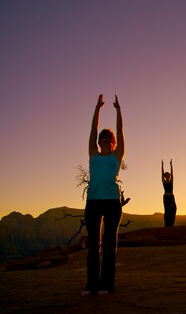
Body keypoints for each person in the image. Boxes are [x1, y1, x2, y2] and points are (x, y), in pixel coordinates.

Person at [82, 94, 125, 296]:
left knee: (109, 245)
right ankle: (91, 286)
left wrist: (118, 110)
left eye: (108, 138)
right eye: (102, 137)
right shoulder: (93, 155)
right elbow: (92, 129)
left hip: (111, 203)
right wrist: (97, 107)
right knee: (94, 245)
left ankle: (106, 286)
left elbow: (120, 129)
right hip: (93, 202)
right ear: (99, 142)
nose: (104, 139)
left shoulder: (117, 156)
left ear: (113, 142)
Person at [162, 159, 177, 227]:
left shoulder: (171, 181)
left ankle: (171, 224)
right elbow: (162, 173)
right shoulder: (164, 181)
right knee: (167, 210)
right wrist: (162, 165)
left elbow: (172, 172)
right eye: (166, 175)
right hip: (166, 197)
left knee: (174, 209)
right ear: (165, 176)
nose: (167, 175)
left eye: (168, 175)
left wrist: (171, 165)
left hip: (171, 197)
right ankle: (167, 224)